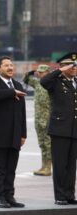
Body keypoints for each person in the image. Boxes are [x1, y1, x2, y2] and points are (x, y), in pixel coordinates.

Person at [0, 56, 27, 209]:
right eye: (6, 65)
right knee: (0, 168)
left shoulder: (18, 85)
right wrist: (12, 92)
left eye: (11, 65)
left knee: (11, 168)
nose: (10, 68)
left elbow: (22, 112)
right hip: (0, 134)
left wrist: (23, 134)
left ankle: (9, 196)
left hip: (15, 134)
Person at [40, 52, 77, 205]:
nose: (74, 68)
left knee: (71, 165)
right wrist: (59, 71)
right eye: (71, 65)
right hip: (60, 129)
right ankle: (60, 195)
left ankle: (69, 194)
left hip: (74, 130)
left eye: (75, 66)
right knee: (60, 164)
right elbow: (43, 81)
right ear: (63, 66)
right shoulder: (55, 81)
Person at [22, 65, 52, 176]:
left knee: (48, 144)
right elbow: (25, 80)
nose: (39, 74)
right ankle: (43, 166)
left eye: (42, 72)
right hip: (39, 119)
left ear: (48, 72)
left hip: (48, 119)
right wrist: (29, 73)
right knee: (42, 143)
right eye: (38, 72)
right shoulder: (37, 83)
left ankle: (48, 167)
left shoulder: (52, 84)